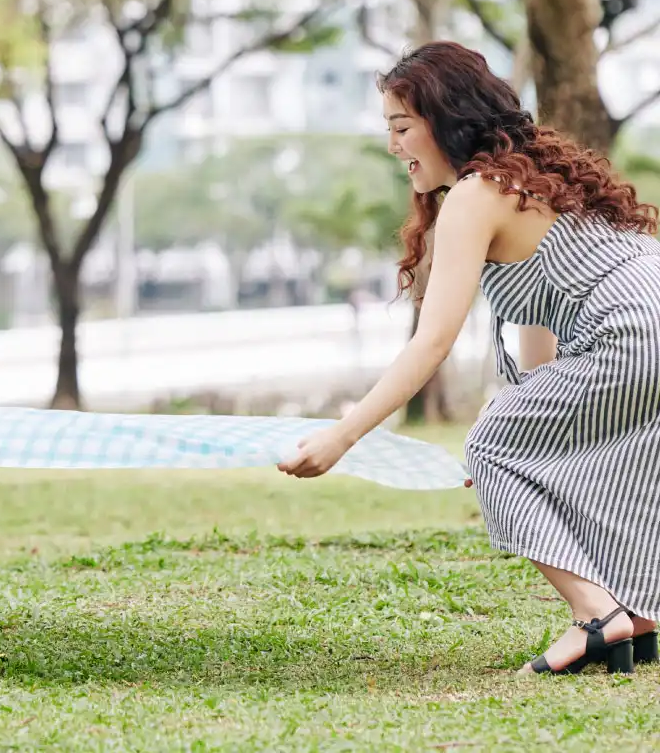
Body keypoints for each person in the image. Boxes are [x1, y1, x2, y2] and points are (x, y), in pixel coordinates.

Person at [277, 41, 660, 676]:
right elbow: (543, 328)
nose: (394, 146)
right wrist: (518, 428)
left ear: (446, 120)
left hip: (633, 332)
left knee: (488, 445)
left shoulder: (478, 194)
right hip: (647, 326)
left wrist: (340, 437)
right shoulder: (532, 174)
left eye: (401, 127)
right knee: (549, 449)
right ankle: (637, 610)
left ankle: (599, 617)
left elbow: (432, 341)